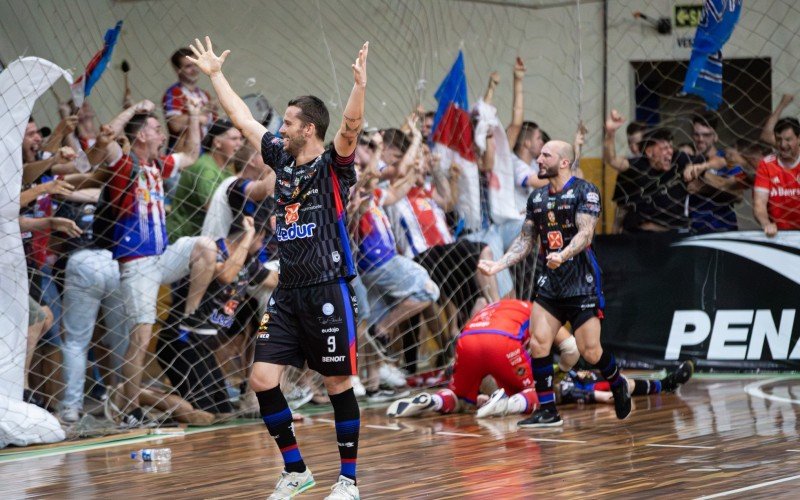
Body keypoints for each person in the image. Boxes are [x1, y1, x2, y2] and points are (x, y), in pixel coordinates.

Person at [188, 36, 367, 499]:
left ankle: (348, 482)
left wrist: (359, 85)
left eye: (288, 122)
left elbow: (350, 126)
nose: (280, 127)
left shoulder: (333, 166)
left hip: (328, 289)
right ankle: (296, 470)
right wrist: (215, 75)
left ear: (309, 128)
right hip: (287, 293)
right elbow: (243, 120)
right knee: (262, 379)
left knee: (337, 383)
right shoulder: (280, 161)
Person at [479, 140, 631, 427]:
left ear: (563, 162)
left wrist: (563, 254)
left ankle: (616, 381)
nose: (538, 159)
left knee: (590, 351)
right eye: (539, 154)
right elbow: (526, 240)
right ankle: (548, 410)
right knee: (539, 343)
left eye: (545, 155)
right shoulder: (536, 199)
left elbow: (585, 234)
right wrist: (498, 264)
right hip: (550, 282)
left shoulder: (586, 192)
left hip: (581, 282)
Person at [386, 299, 579, 419]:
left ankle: (433, 400)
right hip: (502, 342)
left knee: (460, 398)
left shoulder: (499, 306)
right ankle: (506, 405)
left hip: (467, 340)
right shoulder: (539, 310)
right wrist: (561, 370)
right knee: (541, 392)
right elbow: (572, 348)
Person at [558, 360, 694, 405]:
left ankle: (665, 384)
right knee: (623, 384)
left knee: (614, 376)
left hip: (572, 376)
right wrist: (601, 396)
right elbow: (565, 392)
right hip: (574, 386)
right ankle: (666, 384)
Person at [754, 117, 800, 235]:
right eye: (779, 139)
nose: (783, 145)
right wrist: (766, 224)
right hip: (778, 235)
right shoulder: (766, 164)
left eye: (788, 139)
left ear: (799, 138)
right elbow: (759, 204)